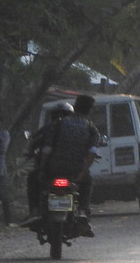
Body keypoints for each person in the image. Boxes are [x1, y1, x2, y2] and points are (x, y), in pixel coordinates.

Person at [40, 94, 99, 234]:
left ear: (75, 106)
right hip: (76, 169)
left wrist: (42, 168)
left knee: (40, 183)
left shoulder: (58, 123)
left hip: (55, 168)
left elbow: (47, 149)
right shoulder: (91, 128)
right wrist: (82, 173)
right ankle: (83, 211)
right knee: (88, 182)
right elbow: (91, 154)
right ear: (89, 110)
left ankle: (37, 211)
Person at [20, 101, 74, 226]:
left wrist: (32, 154)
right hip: (70, 170)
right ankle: (83, 211)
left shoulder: (48, 128)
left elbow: (35, 143)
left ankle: (34, 211)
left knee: (33, 179)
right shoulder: (76, 130)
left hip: (50, 169)